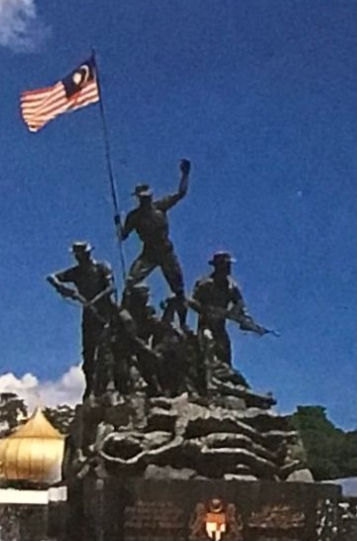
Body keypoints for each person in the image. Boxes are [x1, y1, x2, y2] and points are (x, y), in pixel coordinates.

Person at [119, 158, 191, 324]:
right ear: (138, 198)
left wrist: (185, 175)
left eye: (147, 197)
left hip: (166, 252)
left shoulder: (160, 206)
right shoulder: (134, 216)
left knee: (179, 290)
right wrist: (119, 225)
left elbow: (181, 194)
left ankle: (183, 323)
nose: (146, 200)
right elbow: (123, 236)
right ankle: (122, 312)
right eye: (142, 198)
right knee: (130, 281)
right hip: (149, 253)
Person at [47, 241, 116, 395]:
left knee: (107, 347)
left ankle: (110, 383)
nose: (78, 259)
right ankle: (90, 385)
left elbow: (111, 287)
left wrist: (94, 301)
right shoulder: (76, 272)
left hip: (105, 312)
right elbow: (51, 277)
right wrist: (62, 287)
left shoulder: (102, 267)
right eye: (76, 256)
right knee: (88, 352)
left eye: (81, 255)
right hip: (89, 314)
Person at [190, 251, 269, 372]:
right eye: (225, 265)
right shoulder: (205, 284)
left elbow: (240, 306)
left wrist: (249, 323)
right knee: (207, 344)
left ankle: (226, 377)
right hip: (205, 324)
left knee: (225, 351)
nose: (228, 268)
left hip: (220, 326)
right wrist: (207, 310)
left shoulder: (231, 286)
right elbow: (192, 301)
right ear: (217, 266)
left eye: (229, 265)